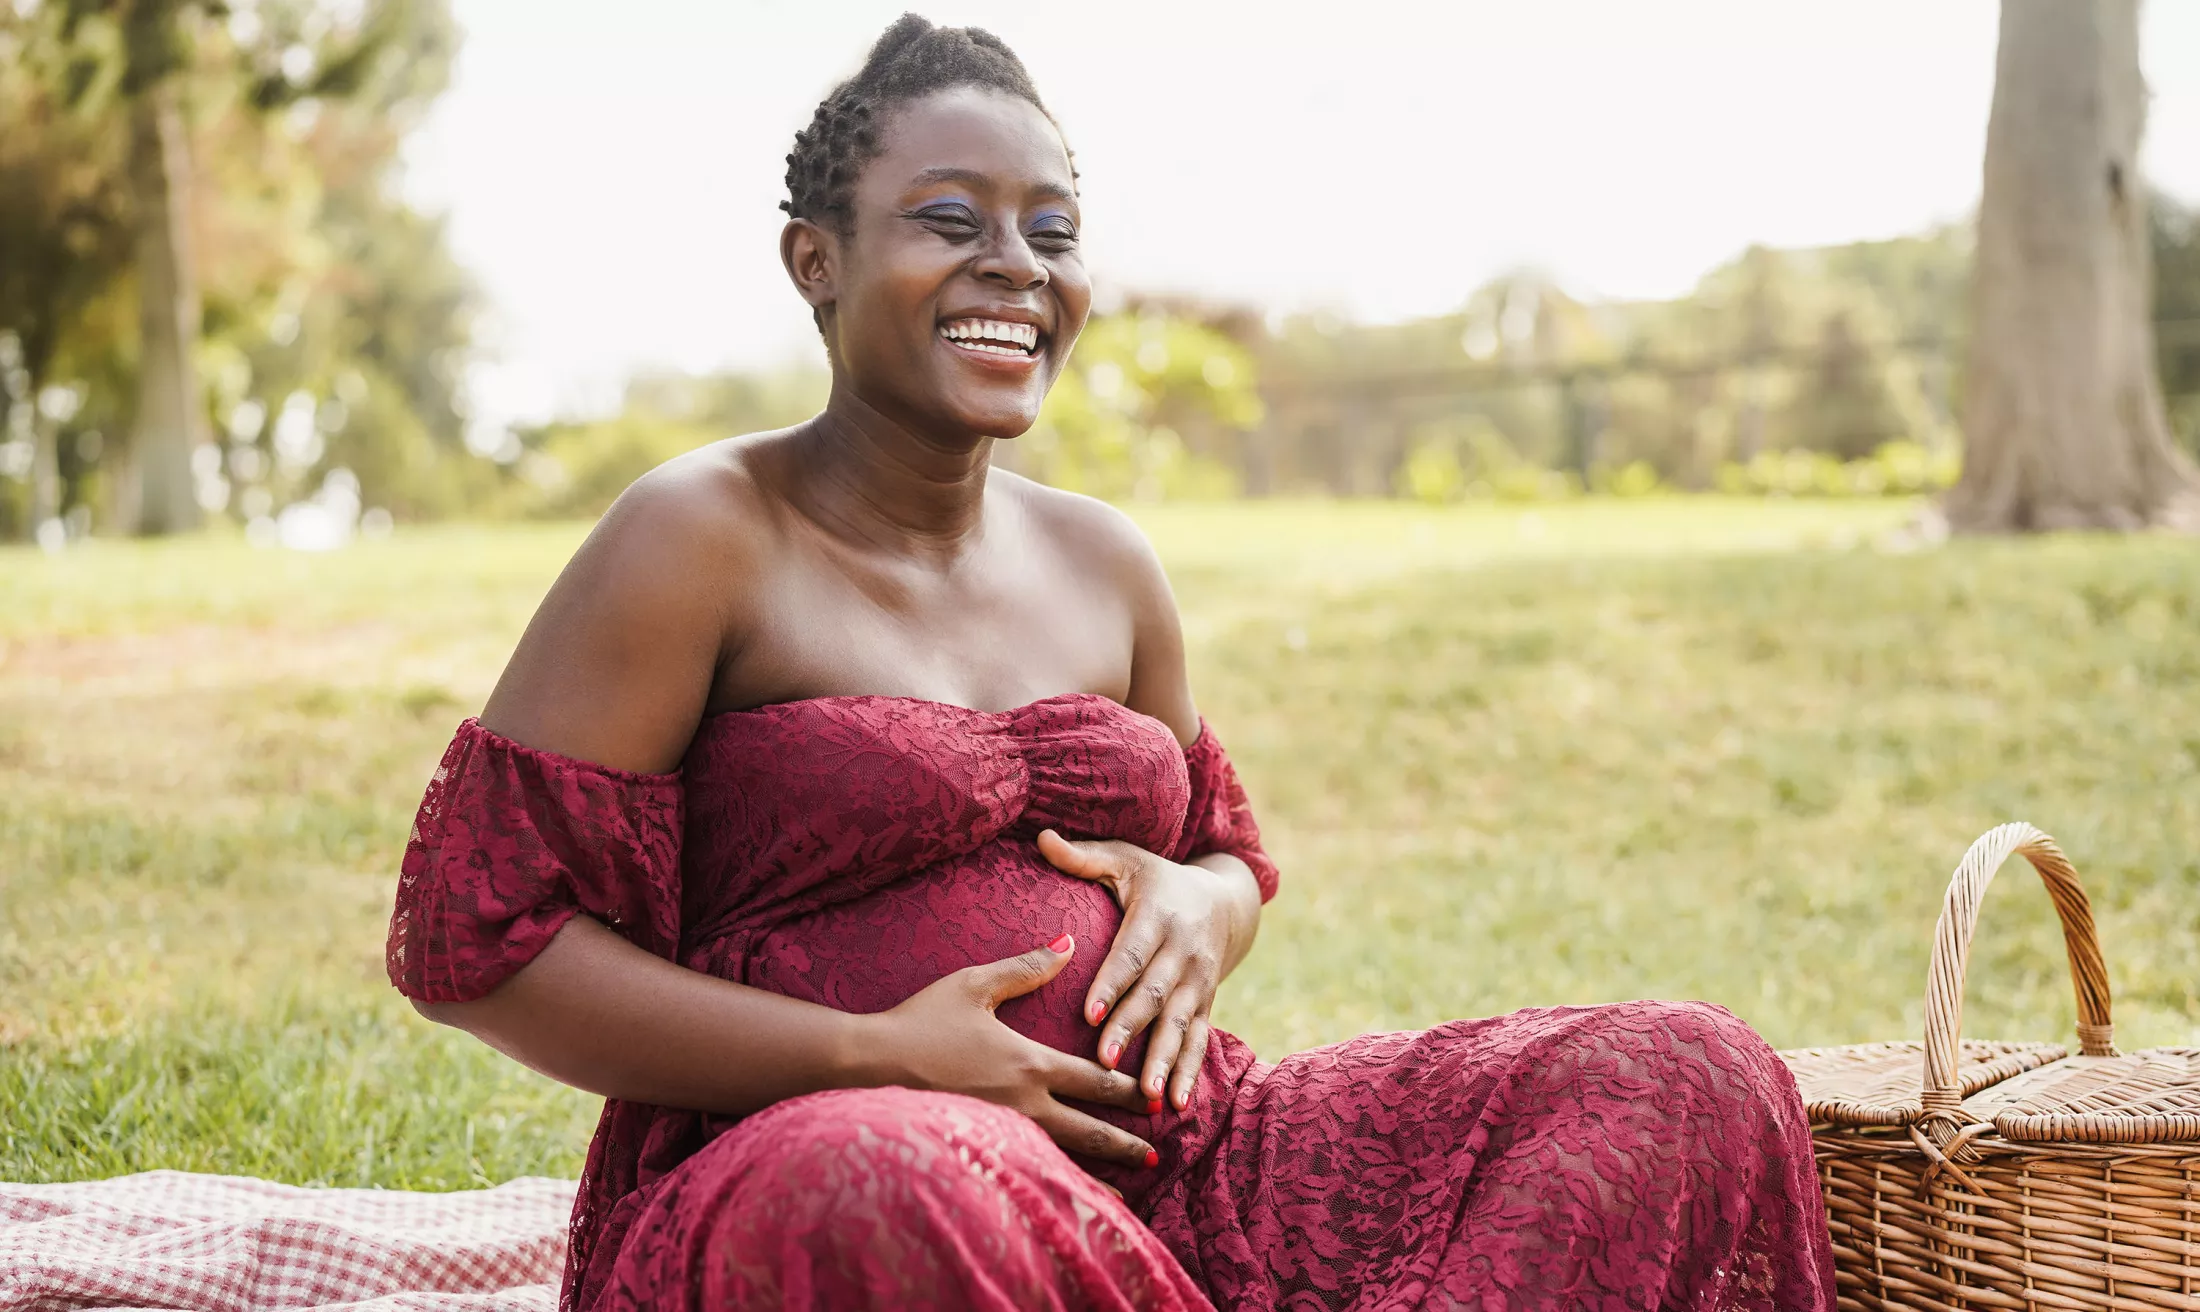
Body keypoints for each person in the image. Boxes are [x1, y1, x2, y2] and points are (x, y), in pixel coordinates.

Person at [387, 15, 1837, 1310]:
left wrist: (1207, 907)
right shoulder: (699, 536)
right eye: (949, 218)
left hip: (1193, 1171)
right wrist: (872, 1058)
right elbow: (482, 949)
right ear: (814, 261)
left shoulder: (1107, 560)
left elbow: (1224, 858)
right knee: (883, 1184)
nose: (1015, 265)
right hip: (828, 1174)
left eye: (1053, 230)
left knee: (1680, 1069)